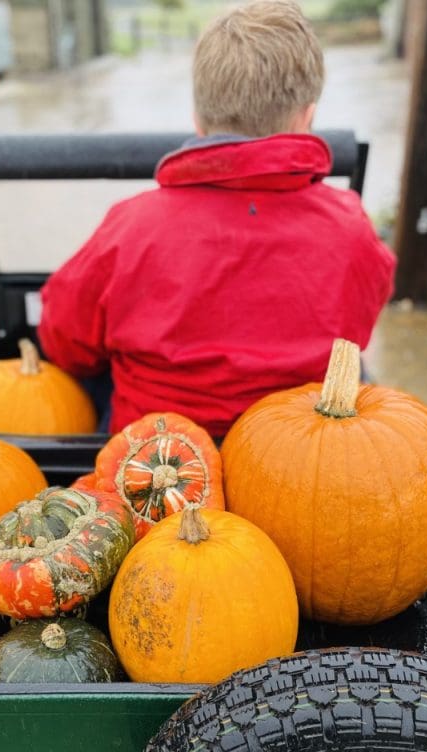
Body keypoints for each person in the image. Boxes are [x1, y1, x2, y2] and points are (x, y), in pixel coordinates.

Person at [38, 0, 396, 436]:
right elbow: (356, 329)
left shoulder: (132, 226)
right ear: (308, 116)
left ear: (197, 121)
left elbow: (65, 341)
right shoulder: (350, 228)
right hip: (295, 463)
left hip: (158, 468)